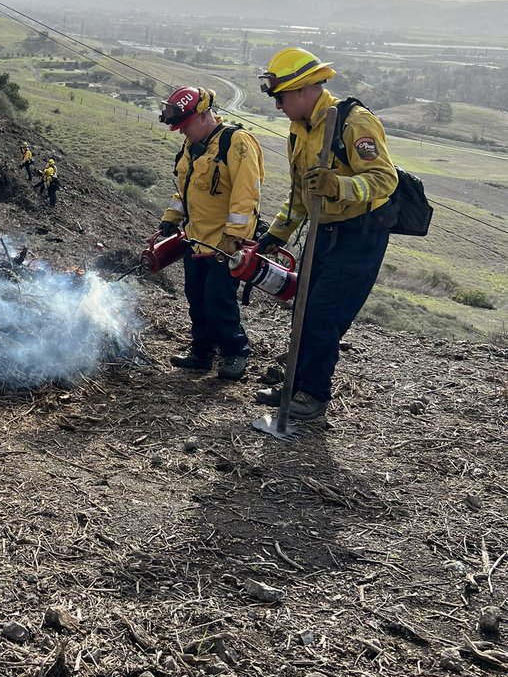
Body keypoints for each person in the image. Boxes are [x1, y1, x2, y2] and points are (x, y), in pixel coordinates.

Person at [254, 47, 398, 421]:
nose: (278, 106)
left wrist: (340, 186)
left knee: (321, 315)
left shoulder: (353, 123)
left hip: (359, 236)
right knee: (301, 308)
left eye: (281, 97)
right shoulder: (298, 129)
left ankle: (312, 396)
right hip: (324, 230)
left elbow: (385, 180)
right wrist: (277, 235)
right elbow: (302, 192)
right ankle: (295, 383)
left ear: (303, 90)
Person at [158, 86, 264, 380]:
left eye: (185, 125)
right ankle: (202, 352)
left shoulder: (236, 142)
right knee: (196, 296)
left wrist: (235, 237)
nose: (182, 132)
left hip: (226, 243)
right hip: (196, 239)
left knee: (218, 298)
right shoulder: (191, 146)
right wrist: (171, 218)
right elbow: (185, 188)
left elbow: (247, 194)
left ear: (204, 115)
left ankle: (235, 352)